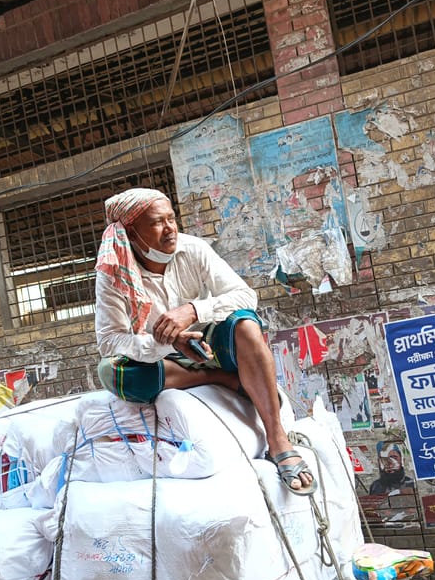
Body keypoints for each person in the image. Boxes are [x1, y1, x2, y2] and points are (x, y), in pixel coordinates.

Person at [94, 188, 316, 496]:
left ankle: (277, 438)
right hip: (162, 357)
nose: (170, 228)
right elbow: (109, 341)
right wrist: (169, 343)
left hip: (210, 343)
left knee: (247, 326)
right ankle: (218, 379)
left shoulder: (193, 249)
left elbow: (245, 295)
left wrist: (193, 310)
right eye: (158, 222)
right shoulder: (112, 274)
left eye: (172, 218)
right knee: (113, 372)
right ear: (132, 233)